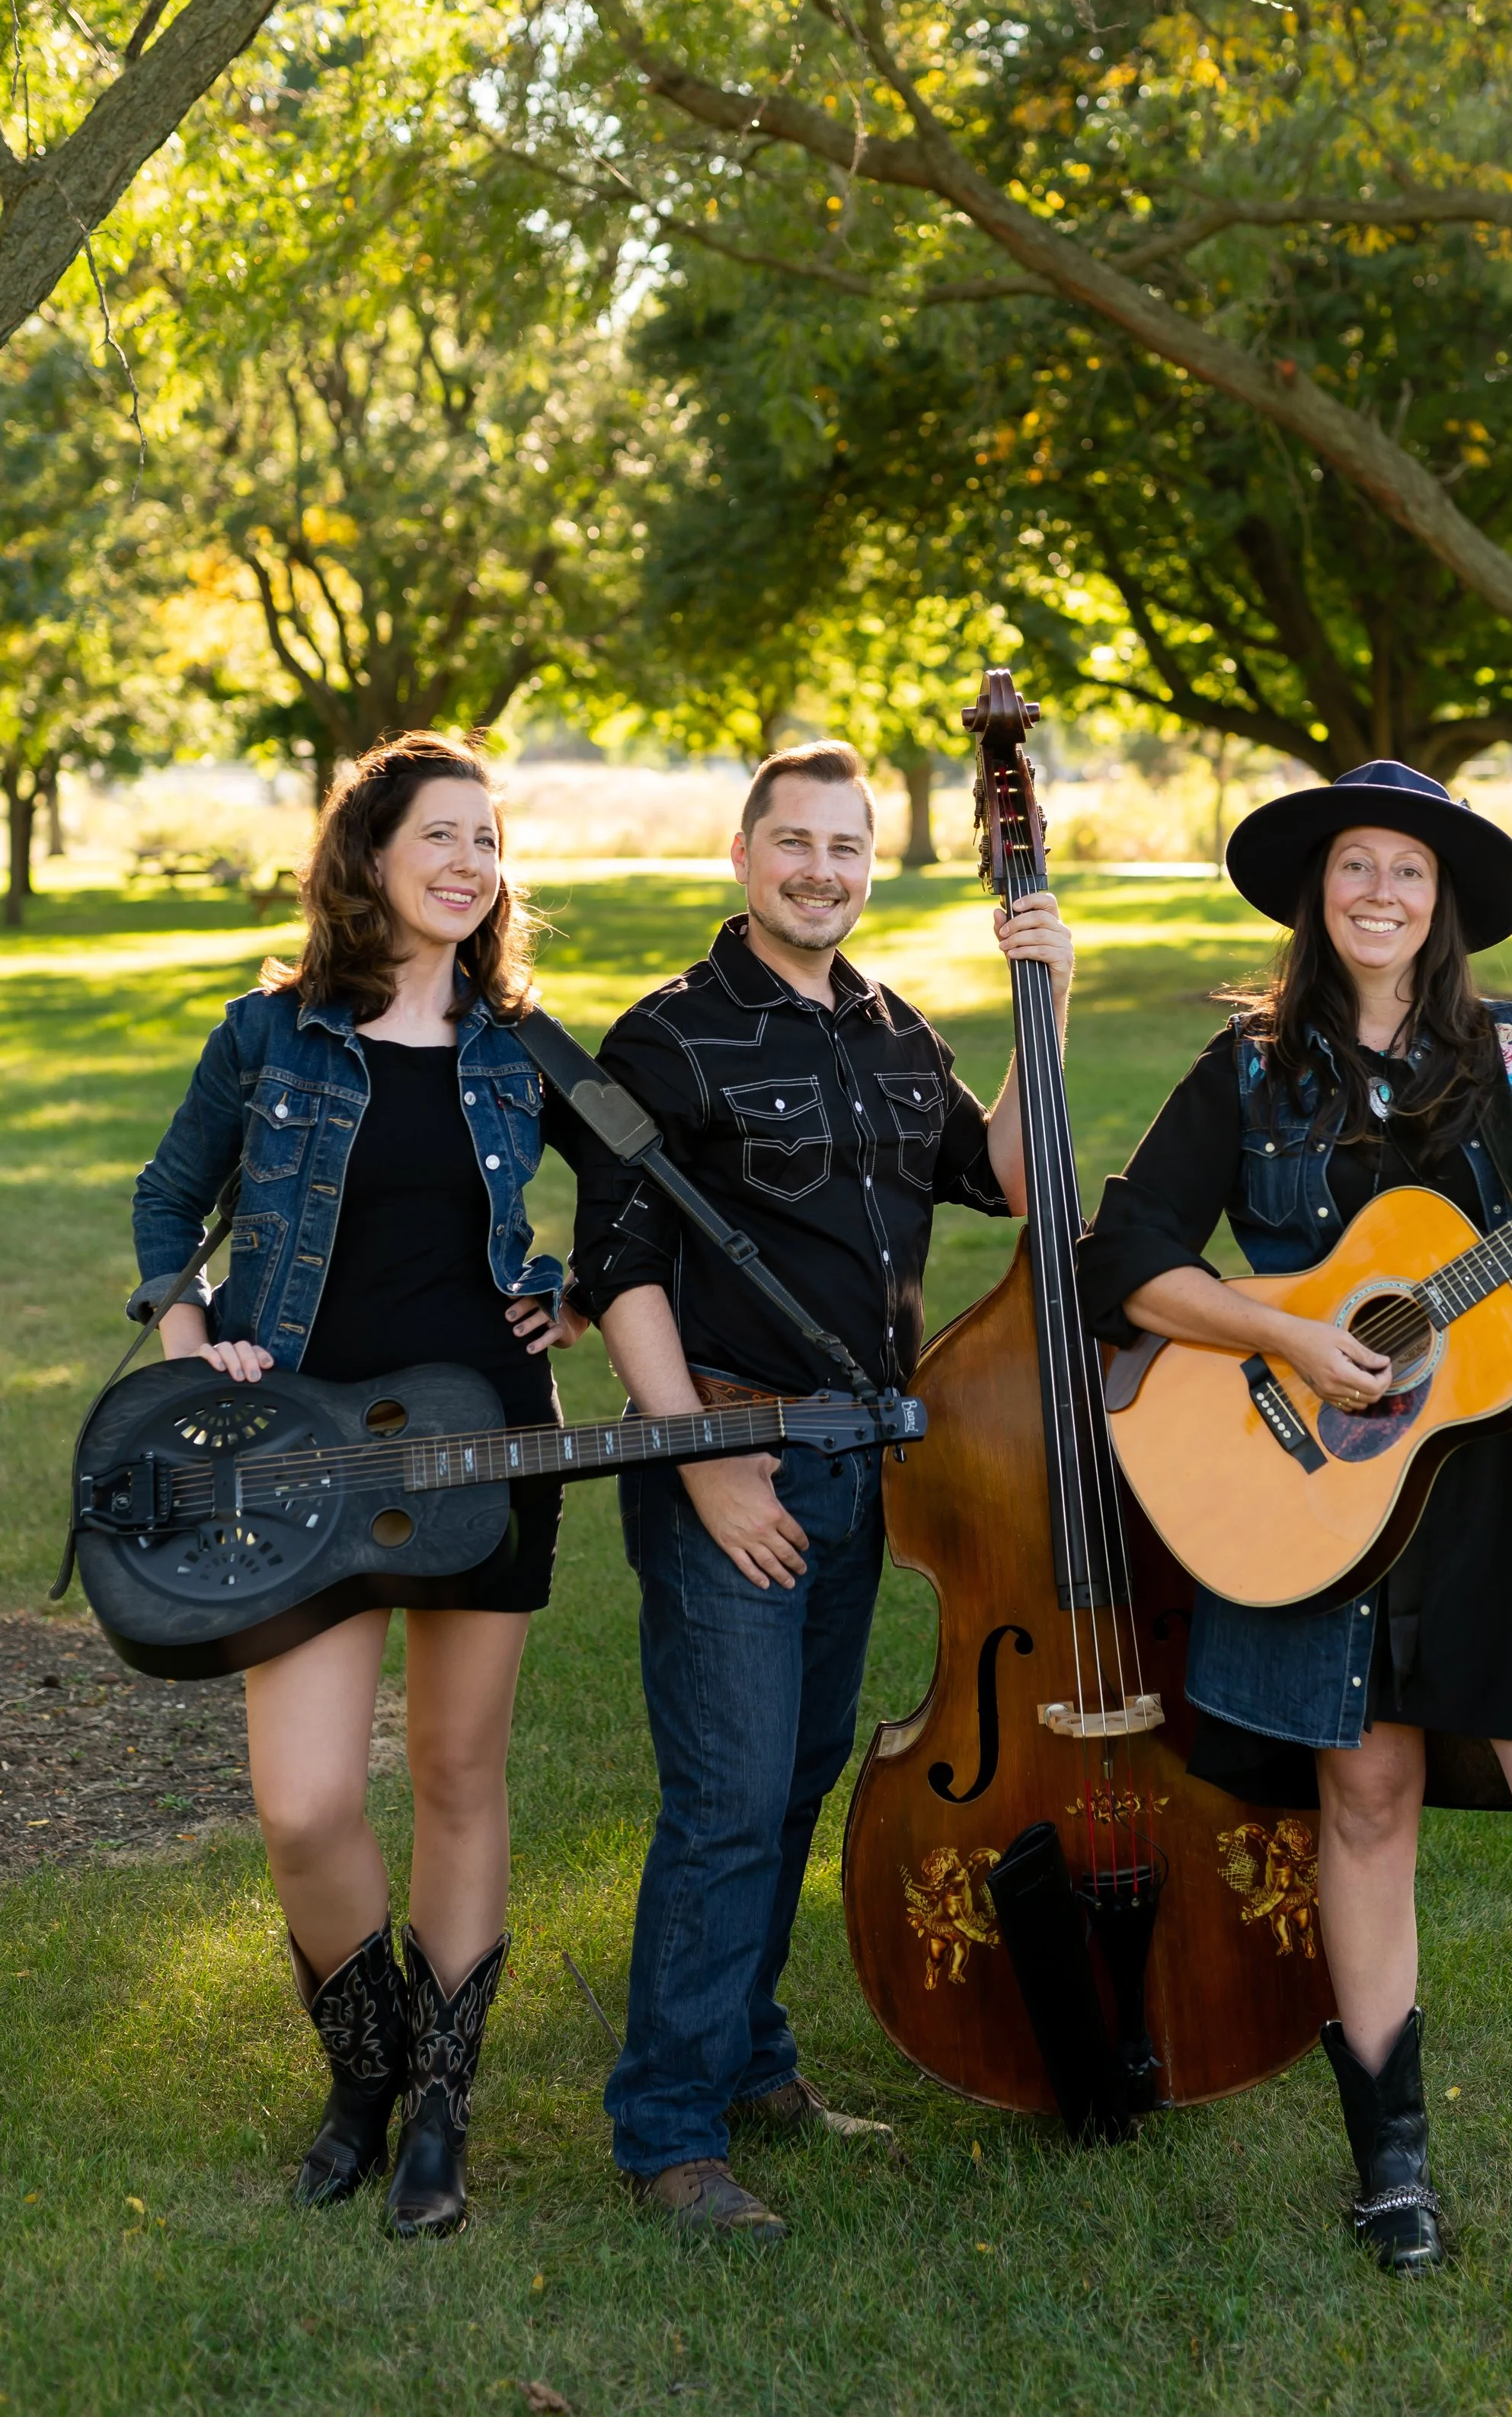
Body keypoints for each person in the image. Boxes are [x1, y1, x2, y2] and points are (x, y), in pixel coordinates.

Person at [1076, 760, 1512, 2309]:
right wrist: (1283, 1333)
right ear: (1316, 894)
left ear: (1441, 904)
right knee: (1361, 1799)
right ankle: (1390, 2168)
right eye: (1353, 868)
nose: (1379, 892)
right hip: (1314, 1477)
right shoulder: (1248, 1069)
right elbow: (1129, 1254)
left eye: (1407, 872)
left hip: (1498, 1475)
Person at [567, 738, 1073, 2241]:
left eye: (846, 849)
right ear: (742, 855)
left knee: (793, 1782)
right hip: (729, 1456)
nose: (821, 871)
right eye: (794, 842)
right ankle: (664, 2126)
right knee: (724, 1796)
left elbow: (1018, 1178)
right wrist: (706, 1463)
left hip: (864, 1463)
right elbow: (618, 1274)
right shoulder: (662, 1038)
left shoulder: (889, 1027)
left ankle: (746, 2056)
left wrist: (1044, 992)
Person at [129, 733, 587, 2237]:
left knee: (460, 1776)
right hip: (294, 1461)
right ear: (369, 854)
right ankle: (363, 2069)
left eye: (487, 841)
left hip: (487, 1446)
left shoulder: (523, 1043)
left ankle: (440, 2111)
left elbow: (650, 1190)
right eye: (440, 837)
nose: (469, 865)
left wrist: (578, 1287)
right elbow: (165, 1197)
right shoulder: (270, 1035)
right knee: (305, 1801)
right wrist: (190, 1338)